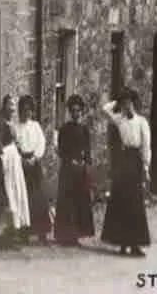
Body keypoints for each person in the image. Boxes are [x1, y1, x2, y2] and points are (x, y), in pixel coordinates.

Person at [100, 88, 151, 257]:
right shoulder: (119, 120)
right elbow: (104, 110)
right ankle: (122, 243)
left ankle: (135, 244)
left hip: (135, 160)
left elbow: (145, 145)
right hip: (123, 161)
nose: (125, 107)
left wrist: (145, 166)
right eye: (123, 104)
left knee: (135, 203)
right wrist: (116, 101)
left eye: (128, 103)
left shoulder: (141, 122)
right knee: (121, 200)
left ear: (133, 104)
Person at [54, 94, 95, 247]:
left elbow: (88, 150)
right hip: (68, 169)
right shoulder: (64, 129)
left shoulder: (85, 130)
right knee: (67, 202)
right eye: (74, 110)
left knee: (79, 202)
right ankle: (65, 235)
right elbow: (61, 150)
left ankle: (77, 234)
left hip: (80, 169)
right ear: (70, 112)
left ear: (81, 112)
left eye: (79, 111)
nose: (76, 113)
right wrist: (69, 159)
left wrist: (85, 161)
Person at [0, 95, 30, 235]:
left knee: (17, 189)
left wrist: (19, 150)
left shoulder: (11, 122)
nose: (12, 108)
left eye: (14, 105)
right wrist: (2, 155)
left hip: (14, 161)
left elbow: (15, 142)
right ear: (4, 106)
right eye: (10, 105)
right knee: (7, 192)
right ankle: (4, 229)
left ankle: (16, 225)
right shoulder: (0, 122)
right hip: (5, 162)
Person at [16, 95, 50, 242]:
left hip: (34, 164)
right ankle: (25, 233)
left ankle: (42, 233)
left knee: (39, 197)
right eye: (24, 110)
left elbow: (41, 142)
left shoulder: (35, 126)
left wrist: (35, 157)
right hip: (21, 165)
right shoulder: (15, 127)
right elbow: (14, 146)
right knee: (24, 198)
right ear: (20, 111)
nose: (27, 113)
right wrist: (22, 159)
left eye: (29, 110)